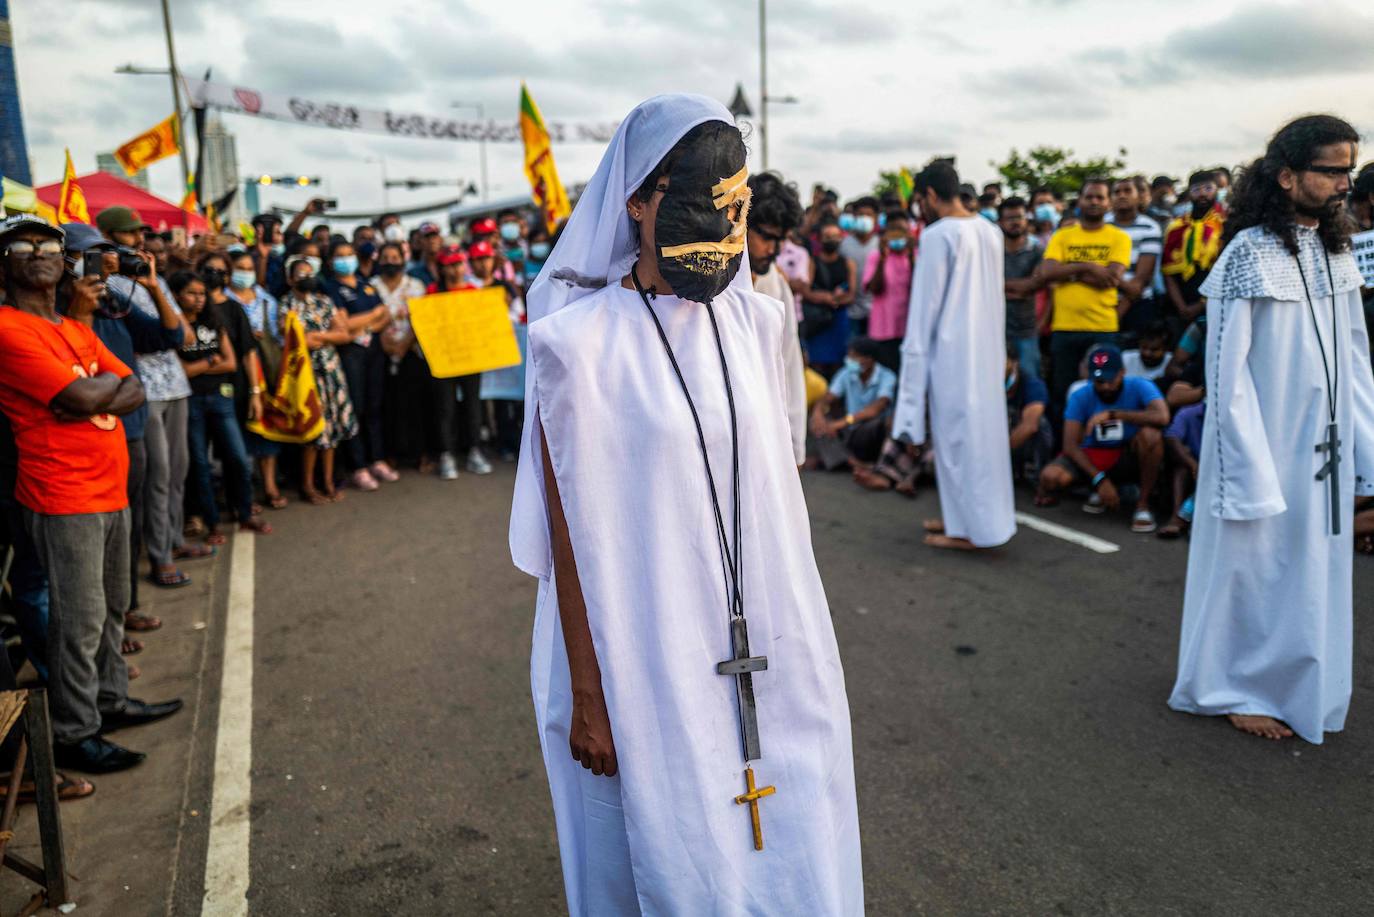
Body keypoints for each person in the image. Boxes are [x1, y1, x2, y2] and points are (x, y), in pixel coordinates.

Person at [508, 95, 861, 915]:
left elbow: (775, 502)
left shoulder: (760, 323)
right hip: (646, 654)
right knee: (667, 855)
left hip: (770, 647)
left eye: (734, 202)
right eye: (703, 198)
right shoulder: (576, 344)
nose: (724, 220)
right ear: (639, 200)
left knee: (795, 840)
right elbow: (569, 539)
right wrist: (591, 698)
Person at [1169, 115, 1374, 744]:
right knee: (1253, 568)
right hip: (1266, 441)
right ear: (1287, 176)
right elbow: (1226, 371)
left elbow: (1355, 356)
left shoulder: (1335, 249)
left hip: (1326, 443)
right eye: (1332, 169)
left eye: (1349, 168)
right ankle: (1232, 686)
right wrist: (1245, 463)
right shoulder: (1247, 254)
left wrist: (1366, 446)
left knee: (1313, 568)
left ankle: (1299, 683)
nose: (1346, 182)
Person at [0, 215, 182, 773]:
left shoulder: (75, 327)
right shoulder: (8, 328)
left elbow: (133, 385)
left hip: (108, 491)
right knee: (76, 623)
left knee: (109, 613)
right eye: (23, 244)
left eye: (50, 243)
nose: (41, 251)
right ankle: (76, 733)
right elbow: (82, 396)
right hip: (63, 496)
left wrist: (90, 394)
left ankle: (109, 701)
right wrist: (91, 394)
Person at [62, 223, 189, 631]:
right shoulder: (60, 306)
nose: (103, 260)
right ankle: (104, 629)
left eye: (106, 252)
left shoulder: (114, 297)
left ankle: (126, 607)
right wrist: (81, 307)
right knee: (95, 535)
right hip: (89, 429)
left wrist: (151, 287)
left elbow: (167, 336)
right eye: (92, 253)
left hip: (128, 425)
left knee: (125, 524)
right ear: (66, 261)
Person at [892, 160, 1016, 550]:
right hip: (985, 351)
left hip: (951, 357)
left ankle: (974, 532)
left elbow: (922, 313)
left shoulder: (937, 235)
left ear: (929, 195)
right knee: (981, 441)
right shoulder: (990, 230)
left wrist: (912, 387)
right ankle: (964, 522)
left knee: (958, 444)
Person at [171, 271, 273, 542]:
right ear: (177, 295)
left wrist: (201, 366)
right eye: (192, 293)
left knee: (238, 457)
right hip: (190, 401)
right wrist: (210, 362)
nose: (199, 299)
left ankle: (244, 511)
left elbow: (231, 362)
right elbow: (182, 371)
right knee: (200, 464)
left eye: (202, 293)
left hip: (221, 398)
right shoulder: (174, 326)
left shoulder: (213, 320)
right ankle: (212, 522)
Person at [1037, 344, 1167, 532]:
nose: (1105, 386)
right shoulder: (1080, 394)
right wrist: (1099, 480)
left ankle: (1143, 505)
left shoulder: (1140, 385)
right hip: (1093, 456)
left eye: (1109, 380)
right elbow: (1070, 445)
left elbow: (1162, 417)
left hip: (1126, 455)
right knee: (1051, 477)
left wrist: (1114, 414)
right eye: (1099, 381)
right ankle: (1098, 488)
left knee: (1151, 436)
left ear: (1122, 372)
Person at [1036, 178, 1132, 412]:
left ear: (1108, 202)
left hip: (1102, 328)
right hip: (1065, 328)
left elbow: (1111, 278)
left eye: (1100, 197)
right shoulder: (1062, 236)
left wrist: (1068, 271)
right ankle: (1064, 446)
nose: (1094, 202)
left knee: (1103, 391)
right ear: (1079, 200)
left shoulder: (1119, 237)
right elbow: (1048, 272)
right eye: (1089, 197)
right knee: (1063, 392)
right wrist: (1088, 267)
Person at [281, 257, 357, 504]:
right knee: (312, 431)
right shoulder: (286, 306)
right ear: (290, 279)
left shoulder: (324, 302)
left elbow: (344, 334)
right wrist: (325, 336)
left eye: (309, 273)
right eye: (301, 274)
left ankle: (327, 481)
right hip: (306, 375)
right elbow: (295, 338)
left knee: (332, 429)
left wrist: (319, 336)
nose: (307, 278)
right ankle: (307, 485)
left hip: (331, 372)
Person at [746, 171, 807, 465]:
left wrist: (794, 446)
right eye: (766, 237)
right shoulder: (705, 288)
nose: (774, 249)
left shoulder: (774, 284)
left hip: (766, 434)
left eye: (780, 240)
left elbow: (788, 361)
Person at [324, 241, 395, 491]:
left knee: (374, 406)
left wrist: (366, 324)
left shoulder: (366, 285)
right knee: (356, 407)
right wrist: (373, 316)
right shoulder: (331, 287)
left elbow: (385, 315)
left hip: (373, 352)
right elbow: (344, 324)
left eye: (349, 255)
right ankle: (358, 465)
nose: (346, 260)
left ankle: (376, 458)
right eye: (340, 255)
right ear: (331, 261)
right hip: (350, 354)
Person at [224, 249, 286, 510]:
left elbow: (278, 338)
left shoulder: (266, 301)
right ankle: (243, 491)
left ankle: (270, 485)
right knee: (237, 433)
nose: (246, 273)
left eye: (251, 268)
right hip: (234, 373)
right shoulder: (222, 300)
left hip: (264, 370)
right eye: (241, 267)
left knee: (266, 428)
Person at [424, 244, 484, 479]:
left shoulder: (474, 291)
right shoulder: (433, 292)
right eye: (449, 265)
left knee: (473, 405)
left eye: (458, 263)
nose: (455, 269)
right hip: (444, 359)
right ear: (441, 268)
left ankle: (474, 451)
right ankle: (446, 454)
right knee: (445, 408)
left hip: (470, 357)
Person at [374, 242, 429, 469]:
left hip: (411, 351)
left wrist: (405, 344)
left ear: (402, 259)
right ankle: (389, 454)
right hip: (381, 352)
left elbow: (424, 318)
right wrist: (384, 344)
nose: (390, 261)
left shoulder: (415, 286)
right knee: (386, 405)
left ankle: (419, 454)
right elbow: (368, 318)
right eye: (385, 257)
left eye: (394, 257)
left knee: (415, 405)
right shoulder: (371, 287)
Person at [807, 337, 895, 471]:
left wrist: (841, 423)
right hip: (850, 430)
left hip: (871, 432)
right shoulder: (846, 373)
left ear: (869, 360)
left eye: (853, 357)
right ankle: (852, 462)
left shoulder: (887, 377)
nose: (849, 360)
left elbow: (874, 410)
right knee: (817, 423)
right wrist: (818, 413)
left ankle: (837, 460)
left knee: (876, 424)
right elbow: (827, 398)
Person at [1161, 170, 1225, 336]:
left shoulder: (1224, 224)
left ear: (1216, 190)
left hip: (1215, 300)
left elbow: (1225, 270)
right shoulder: (1176, 227)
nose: (1202, 194)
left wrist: (1202, 304)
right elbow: (1168, 272)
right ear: (1189, 193)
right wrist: (1182, 307)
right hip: (1180, 302)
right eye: (1197, 189)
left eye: (1208, 188)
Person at [1107, 177, 1163, 342]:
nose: (1122, 195)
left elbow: (1142, 278)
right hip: (1103, 303)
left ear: (1138, 196)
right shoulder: (1102, 225)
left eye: (1127, 191)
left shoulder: (1150, 227)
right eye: (1117, 192)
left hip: (1138, 304)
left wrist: (1118, 313)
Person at [801, 219, 855, 379]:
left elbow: (852, 294)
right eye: (827, 236)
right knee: (817, 363)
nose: (832, 240)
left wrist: (838, 300)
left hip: (839, 319)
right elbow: (806, 291)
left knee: (838, 364)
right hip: (818, 320)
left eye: (835, 236)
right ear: (819, 239)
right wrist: (826, 298)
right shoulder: (813, 261)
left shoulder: (847, 263)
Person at [863, 210, 916, 371]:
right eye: (893, 232)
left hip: (909, 327)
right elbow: (874, 288)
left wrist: (912, 257)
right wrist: (882, 259)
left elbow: (918, 288)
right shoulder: (875, 257)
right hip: (884, 329)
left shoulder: (915, 256)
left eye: (902, 232)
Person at [999, 197, 1045, 379]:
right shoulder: (992, 250)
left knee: (1030, 379)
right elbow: (987, 286)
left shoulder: (1037, 251)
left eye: (1019, 217)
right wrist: (1022, 286)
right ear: (1001, 222)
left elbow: (1032, 286)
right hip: (996, 329)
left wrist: (1000, 286)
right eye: (1010, 218)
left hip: (1027, 329)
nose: (1015, 222)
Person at [1157, 401, 1205, 540]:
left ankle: (1187, 517)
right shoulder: (1189, 412)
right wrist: (1193, 464)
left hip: (1223, 469)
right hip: (1195, 468)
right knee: (1182, 465)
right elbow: (1172, 436)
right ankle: (1178, 516)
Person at [1005, 345, 1052, 481]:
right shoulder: (984, 382)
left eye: (1002, 360)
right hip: (996, 440)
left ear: (1014, 363)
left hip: (1017, 444)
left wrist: (998, 457)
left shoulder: (1032, 384)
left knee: (1041, 424)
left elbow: (1030, 425)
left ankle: (1039, 477)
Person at [839, 196, 880, 336]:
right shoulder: (844, 244)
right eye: (860, 215)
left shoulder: (881, 244)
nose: (864, 218)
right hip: (852, 310)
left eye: (869, 215)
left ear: (876, 218)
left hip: (876, 310)